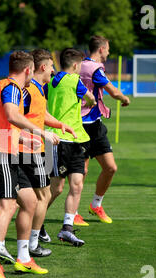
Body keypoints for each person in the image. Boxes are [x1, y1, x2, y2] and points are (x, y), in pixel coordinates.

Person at [0, 51, 60, 278]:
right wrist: (41, 132)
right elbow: (12, 116)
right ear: (27, 70)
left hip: (5, 152)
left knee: (30, 201)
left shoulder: (10, 88)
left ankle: (23, 258)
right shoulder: (12, 87)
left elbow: (4, 124)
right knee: (8, 205)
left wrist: (24, 140)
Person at [0, 49, 77, 261]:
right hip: (28, 151)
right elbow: (15, 116)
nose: (53, 70)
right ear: (42, 67)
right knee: (40, 196)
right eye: (52, 66)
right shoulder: (27, 89)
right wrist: (30, 137)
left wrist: (60, 124)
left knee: (21, 200)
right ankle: (33, 241)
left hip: (29, 149)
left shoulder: (36, 88)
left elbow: (39, 115)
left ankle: (6, 243)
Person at [44, 48, 95, 246]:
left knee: (77, 184)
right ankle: (36, 222)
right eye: (80, 65)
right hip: (59, 140)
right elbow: (90, 97)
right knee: (56, 188)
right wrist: (90, 102)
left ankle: (67, 228)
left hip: (75, 140)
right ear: (75, 65)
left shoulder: (52, 81)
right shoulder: (75, 81)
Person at [80, 35, 130, 225]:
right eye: (108, 48)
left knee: (110, 168)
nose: (109, 52)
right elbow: (114, 92)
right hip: (82, 124)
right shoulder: (92, 67)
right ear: (101, 49)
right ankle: (73, 213)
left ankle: (96, 205)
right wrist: (125, 99)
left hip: (96, 124)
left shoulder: (83, 65)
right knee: (81, 172)